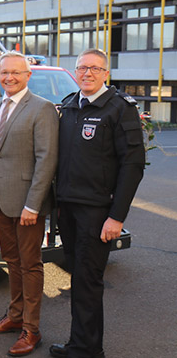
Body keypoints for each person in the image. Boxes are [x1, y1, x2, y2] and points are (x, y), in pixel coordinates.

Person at [50, 49, 145, 358]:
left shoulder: (119, 109)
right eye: (82, 68)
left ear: (106, 73)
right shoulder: (69, 106)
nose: (87, 73)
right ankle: (81, 344)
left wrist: (116, 217)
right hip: (68, 209)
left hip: (97, 212)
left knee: (88, 281)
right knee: (78, 278)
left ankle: (88, 350)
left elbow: (133, 166)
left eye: (94, 68)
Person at [0, 51, 59, 356]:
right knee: (11, 263)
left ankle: (31, 329)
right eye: (3, 73)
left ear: (28, 75)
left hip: (28, 205)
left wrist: (33, 205)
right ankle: (14, 317)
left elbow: (46, 159)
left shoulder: (42, 109)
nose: (9, 78)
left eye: (15, 72)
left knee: (30, 265)